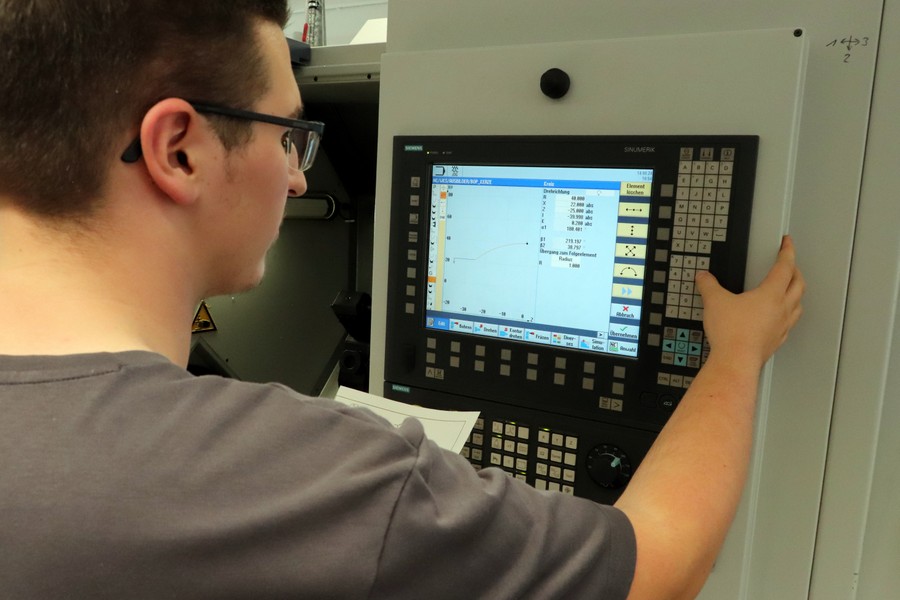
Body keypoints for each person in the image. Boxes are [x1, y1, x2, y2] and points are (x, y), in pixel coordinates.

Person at [0, 1, 805, 598]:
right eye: (288, 135)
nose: (298, 178)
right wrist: (737, 354)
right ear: (179, 150)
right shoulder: (305, 480)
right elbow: (658, 564)